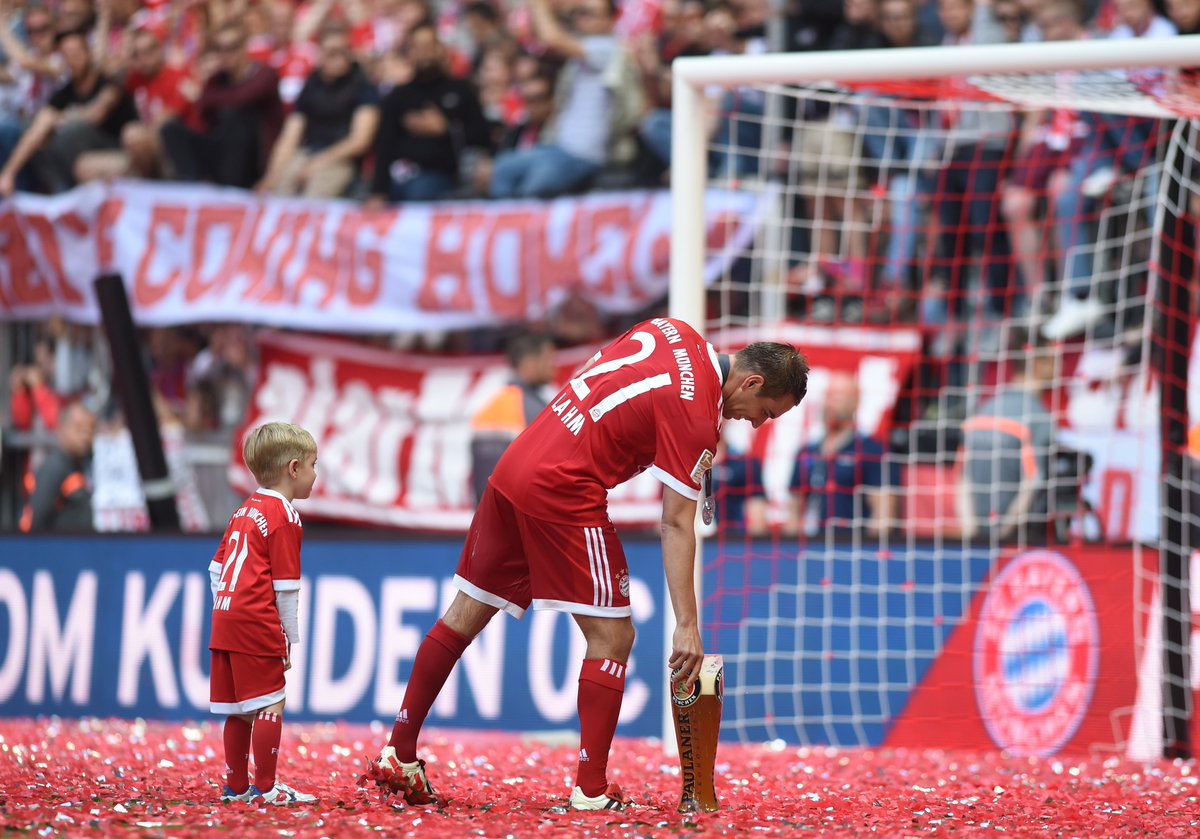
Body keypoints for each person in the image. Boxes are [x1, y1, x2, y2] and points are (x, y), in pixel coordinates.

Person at [365, 318, 809, 810]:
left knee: (463, 615)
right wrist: (687, 623)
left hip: (517, 464)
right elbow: (675, 523)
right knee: (613, 638)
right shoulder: (698, 415)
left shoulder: (672, 329)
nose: (756, 423)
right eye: (766, 412)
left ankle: (398, 751)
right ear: (751, 382)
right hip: (564, 485)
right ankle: (591, 791)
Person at [208, 422, 319, 805]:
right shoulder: (284, 515)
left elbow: (216, 570)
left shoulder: (242, 510)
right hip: (256, 619)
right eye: (312, 465)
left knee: (239, 708)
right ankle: (267, 788)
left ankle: (236, 788)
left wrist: (227, 606)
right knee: (271, 701)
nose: (315, 474)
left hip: (225, 617)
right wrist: (289, 637)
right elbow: (285, 587)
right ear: (293, 469)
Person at [956, 326, 1057, 545]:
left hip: (975, 537)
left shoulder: (983, 411)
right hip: (1014, 542)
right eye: (1053, 361)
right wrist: (1003, 536)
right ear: (1038, 364)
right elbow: (1032, 484)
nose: (1060, 369)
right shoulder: (1038, 417)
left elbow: (963, 481)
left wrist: (971, 532)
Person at [256, 23, 380, 198]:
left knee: (316, 193)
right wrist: (271, 177)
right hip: (308, 152)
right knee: (281, 187)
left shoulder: (362, 85)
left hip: (341, 159)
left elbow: (360, 140)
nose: (340, 59)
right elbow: (291, 135)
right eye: (332, 53)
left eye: (344, 52)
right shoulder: (312, 84)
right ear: (320, 54)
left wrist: (318, 163)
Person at [160, 21, 283, 189]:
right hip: (222, 149)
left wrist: (210, 96)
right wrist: (209, 87)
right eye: (220, 49)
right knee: (171, 130)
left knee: (237, 116)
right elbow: (203, 109)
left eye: (231, 47)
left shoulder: (265, 74)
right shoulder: (217, 78)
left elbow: (240, 98)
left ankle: (230, 189)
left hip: (255, 159)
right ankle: (192, 186)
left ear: (244, 47)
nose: (226, 54)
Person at [780, 372, 896, 538]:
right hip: (811, 546)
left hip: (850, 546)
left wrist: (863, 549)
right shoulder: (807, 452)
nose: (830, 403)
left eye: (837, 397)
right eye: (827, 396)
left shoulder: (873, 452)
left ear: (855, 401)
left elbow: (883, 516)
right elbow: (793, 509)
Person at [469, 330, 556, 503]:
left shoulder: (490, 405)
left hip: (488, 509)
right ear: (529, 363)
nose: (553, 367)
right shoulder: (536, 410)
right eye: (547, 359)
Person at [19, 401, 95, 532]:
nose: (85, 436)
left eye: (90, 430)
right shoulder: (54, 468)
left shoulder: (82, 465)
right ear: (61, 429)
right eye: (78, 428)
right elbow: (31, 523)